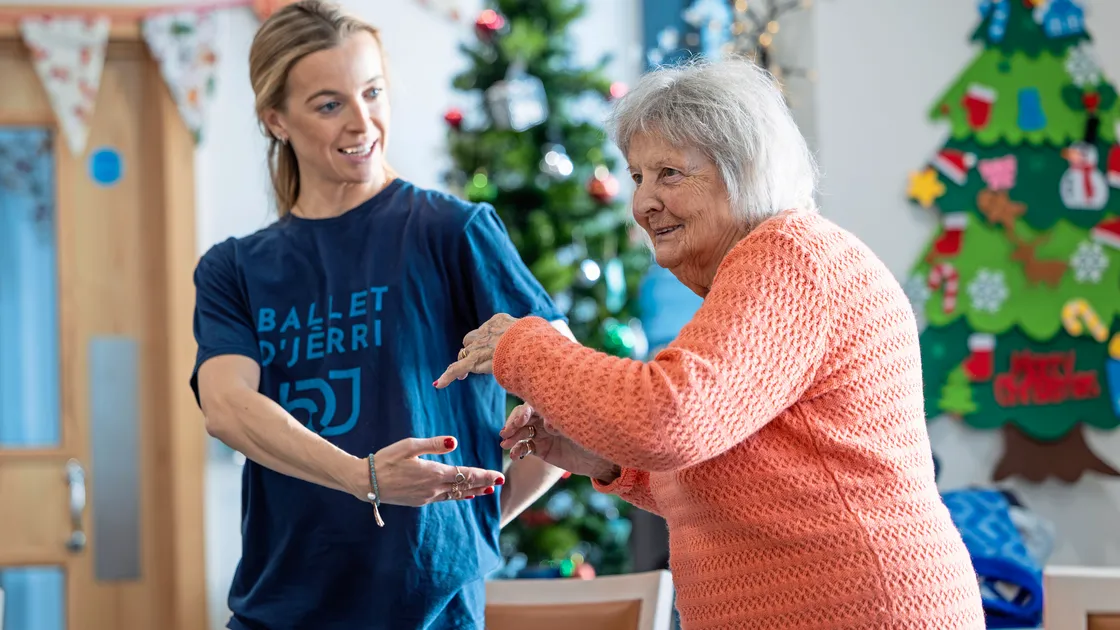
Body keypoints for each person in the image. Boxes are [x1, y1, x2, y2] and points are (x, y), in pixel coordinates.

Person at [436, 57, 986, 629]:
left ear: (742, 168)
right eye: (637, 176)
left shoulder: (789, 256)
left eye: (669, 174)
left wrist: (524, 345)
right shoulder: (769, 267)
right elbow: (749, 475)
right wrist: (604, 458)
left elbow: (669, 417)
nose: (643, 203)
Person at [191, 2, 568, 628]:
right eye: (329, 103)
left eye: (372, 92)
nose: (362, 121)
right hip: (276, 611)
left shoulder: (455, 232)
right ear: (275, 119)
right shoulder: (234, 269)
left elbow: (570, 396)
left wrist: (466, 520)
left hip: (429, 613)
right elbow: (227, 406)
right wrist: (363, 477)